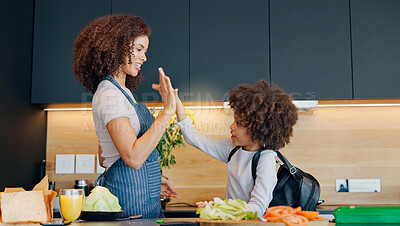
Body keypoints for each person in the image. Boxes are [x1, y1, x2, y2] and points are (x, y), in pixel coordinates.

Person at [73, 14, 177, 218]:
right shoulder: (110, 95)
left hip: (140, 199)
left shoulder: (121, 92)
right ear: (117, 47)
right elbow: (133, 157)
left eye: (145, 51)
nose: (144, 58)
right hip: (129, 204)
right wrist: (168, 112)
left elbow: (105, 157)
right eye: (139, 49)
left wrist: (151, 179)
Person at [174, 80, 298, 217]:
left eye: (239, 123)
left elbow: (257, 209)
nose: (232, 126)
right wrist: (175, 102)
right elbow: (192, 137)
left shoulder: (266, 159)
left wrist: (219, 208)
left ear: (258, 130)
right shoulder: (232, 149)